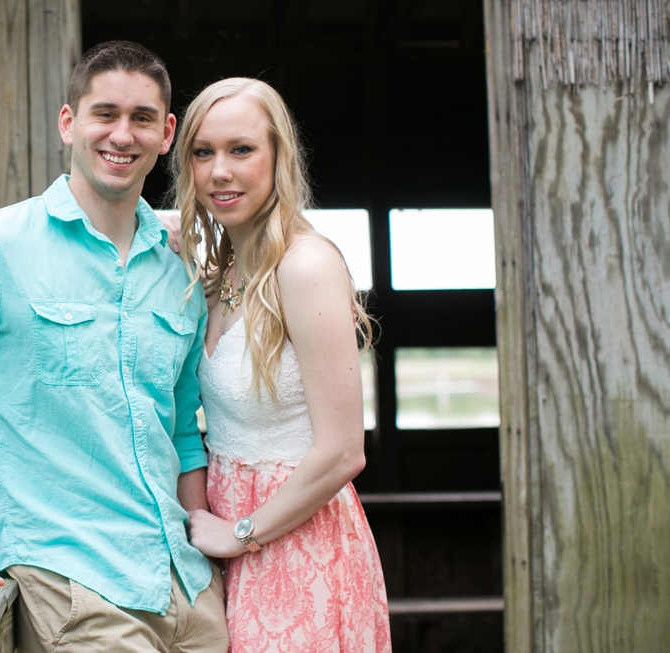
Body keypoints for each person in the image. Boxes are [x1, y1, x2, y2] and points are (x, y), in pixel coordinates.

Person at [0, 41, 228, 653]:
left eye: (142, 118)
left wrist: (205, 546)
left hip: (189, 592)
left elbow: (184, 434)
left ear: (166, 134)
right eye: (104, 113)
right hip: (75, 588)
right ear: (68, 123)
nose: (122, 134)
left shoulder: (177, 272)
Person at [170, 77, 392, 652]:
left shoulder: (306, 266)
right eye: (203, 152)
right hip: (230, 547)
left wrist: (241, 533)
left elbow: (344, 450)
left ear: (277, 157)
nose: (221, 171)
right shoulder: (219, 275)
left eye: (241, 150)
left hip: (296, 546)